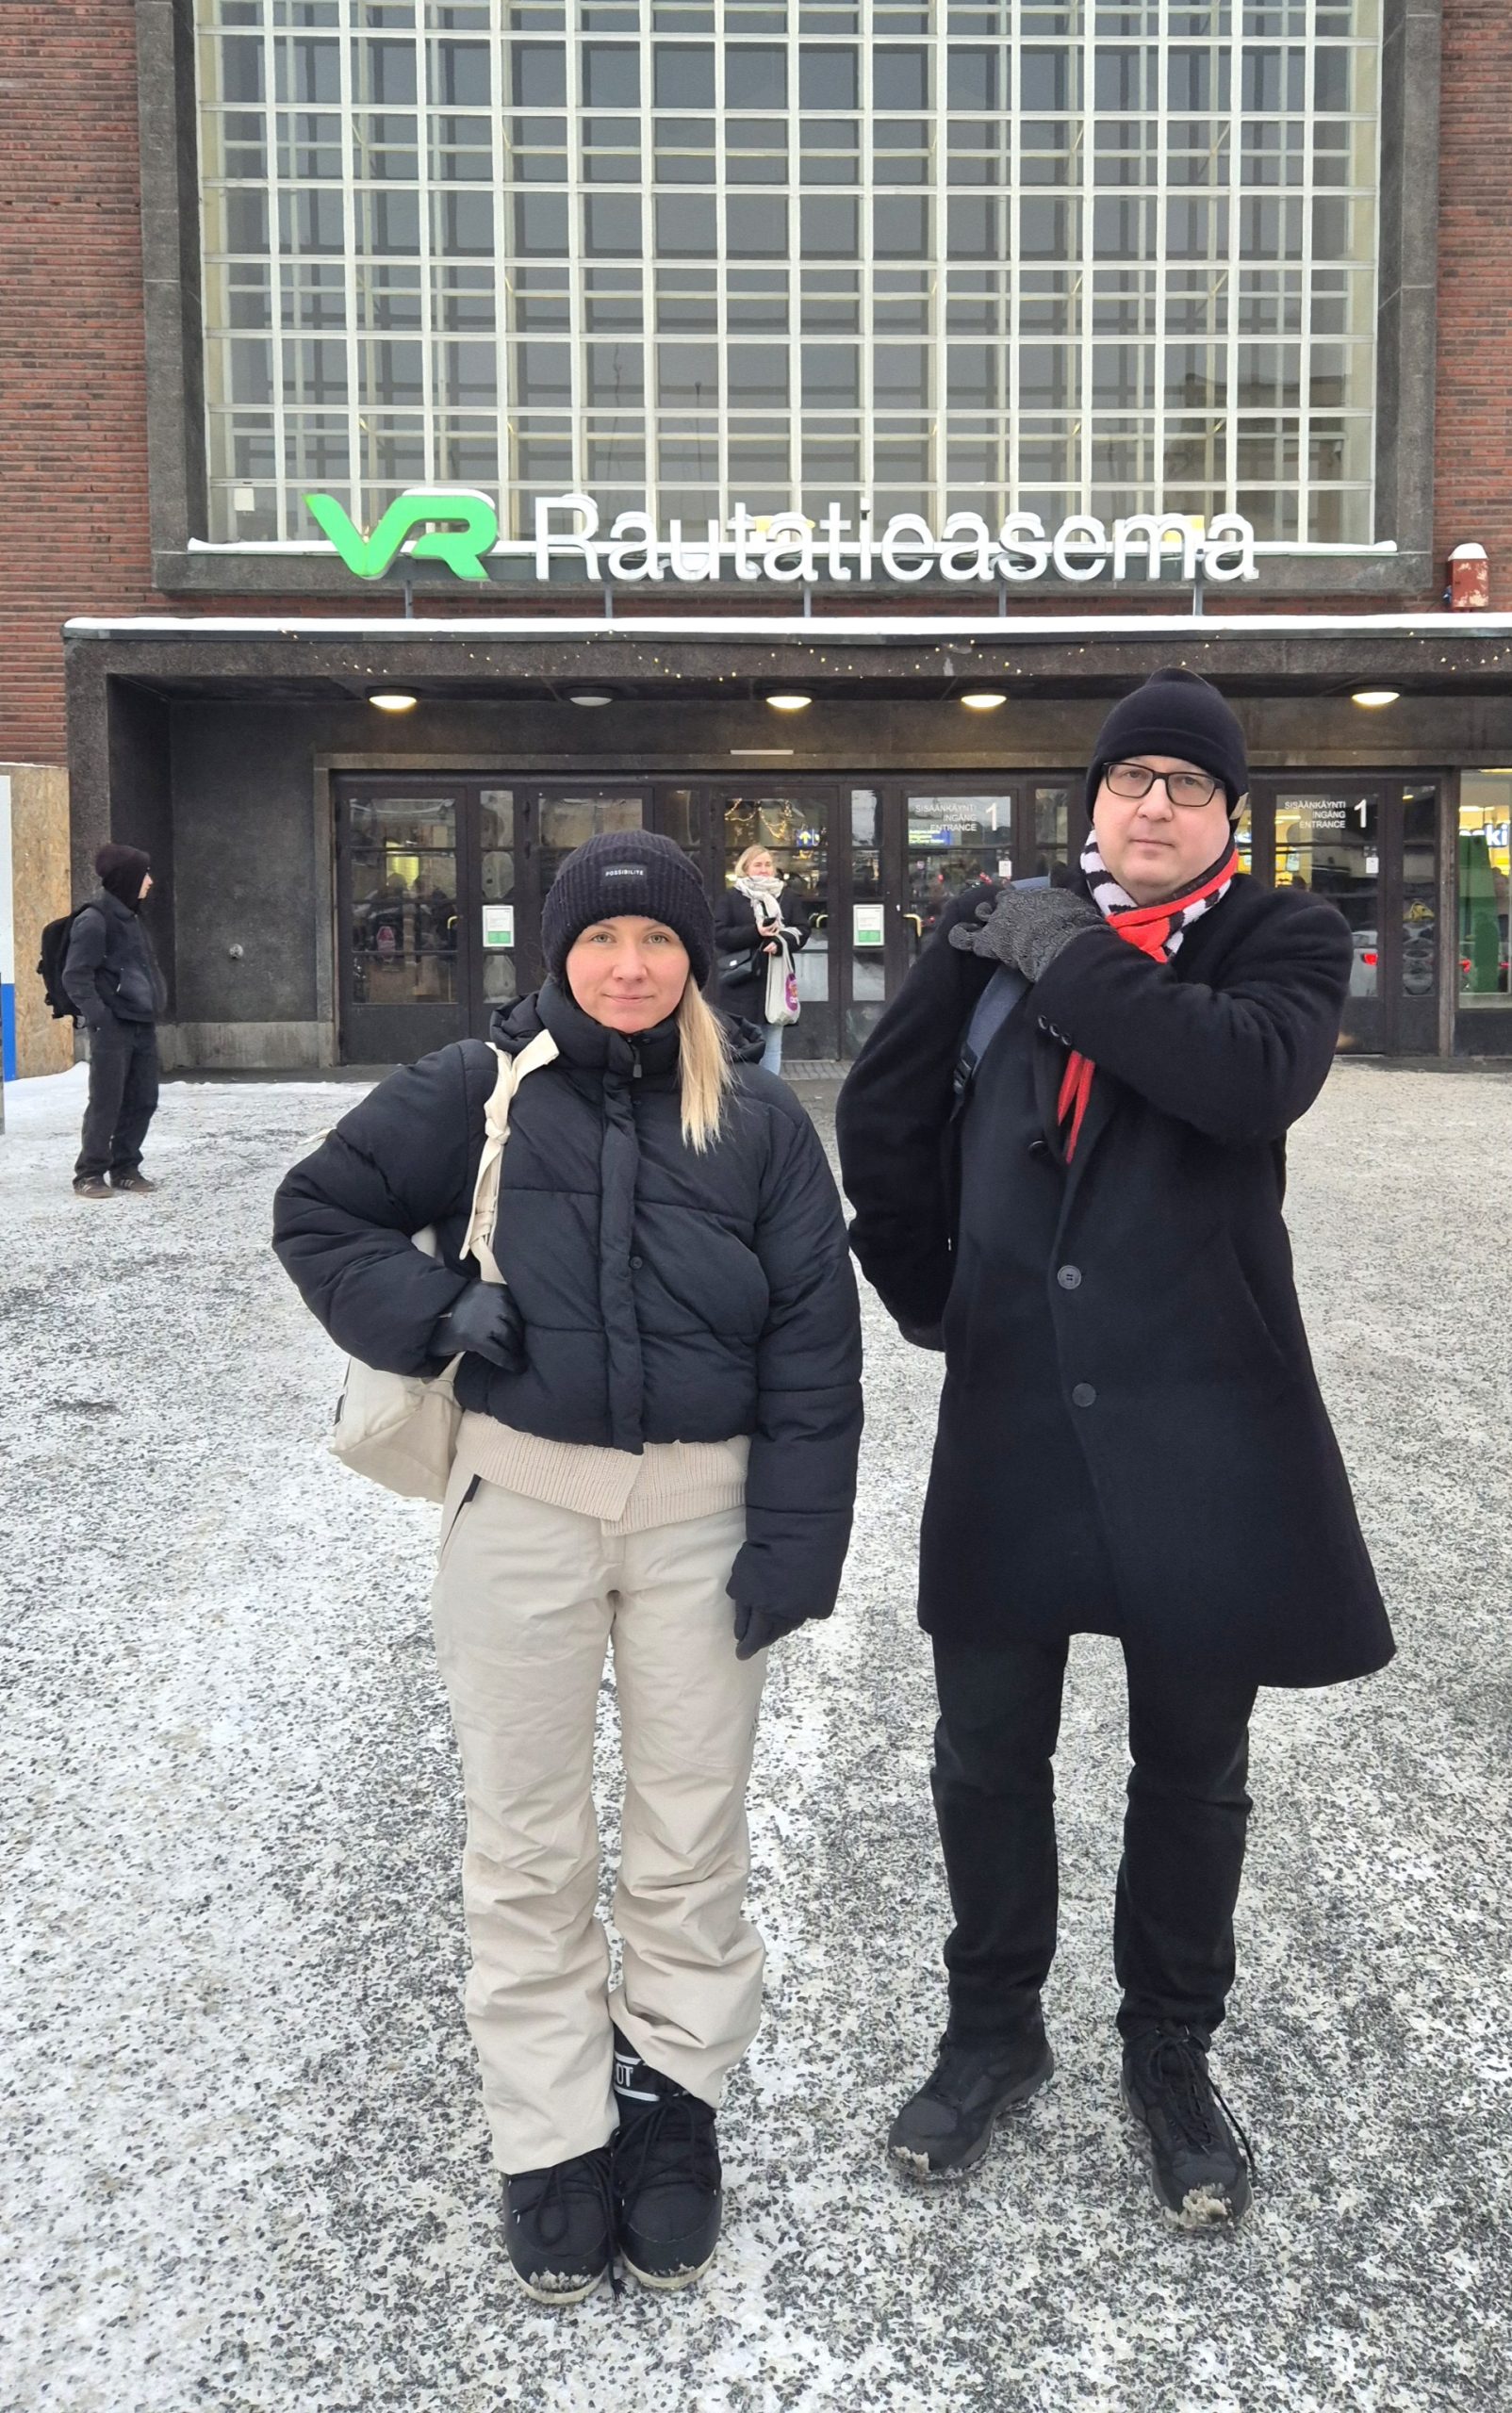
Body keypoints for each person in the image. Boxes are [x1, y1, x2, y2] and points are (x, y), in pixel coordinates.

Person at [836, 668, 1393, 2232]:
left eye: (1186, 784)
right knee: (983, 1751)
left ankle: (1168, 2052)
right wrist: (937, 1298)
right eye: (1128, 777)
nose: (1153, 802)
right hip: (1015, 1411)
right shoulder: (984, 933)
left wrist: (1073, 953)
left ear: (1228, 815)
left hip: (1204, 1419)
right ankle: (990, 2031)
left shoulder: (1276, 937)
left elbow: (1241, 1079)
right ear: (1091, 799)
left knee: (1191, 1766)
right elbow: (883, 1118)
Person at [273, 829, 862, 2303]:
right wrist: (430, 1311)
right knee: (527, 1838)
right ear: (557, 954)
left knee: (689, 1832)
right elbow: (319, 1211)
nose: (630, 965)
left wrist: (796, 1538)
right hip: (521, 1510)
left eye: (659, 941)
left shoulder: (761, 1120)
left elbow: (814, 1350)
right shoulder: (475, 1087)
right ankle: (549, 2129)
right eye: (602, 940)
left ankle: (670, 2099)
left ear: (700, 959)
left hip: (703, 1523)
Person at [64, 844, 166, 1199]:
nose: (150, 881)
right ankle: (89, 1173)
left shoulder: (132, 917)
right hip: (113, 1026)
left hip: (141, 1023)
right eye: (144, 874)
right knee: (107, 1102)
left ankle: (125, 1168)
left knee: (143, 1099)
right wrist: (101, 1018)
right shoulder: (94, 920)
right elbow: (76, 975)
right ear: (127, 878)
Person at [715, 845, 810, 1075]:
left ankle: (771, 1088)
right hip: (741, 981)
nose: (764, 869)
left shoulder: (787, 896)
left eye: (768, 864)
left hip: (776, 980)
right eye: (758, 864)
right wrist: (756, 932)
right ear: (745, 868)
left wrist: (780, 941)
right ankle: (748, 1089)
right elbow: (719, 934)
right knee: (743, 1043)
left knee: (773, 1043)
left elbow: (802, 929)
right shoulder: (731, 898)